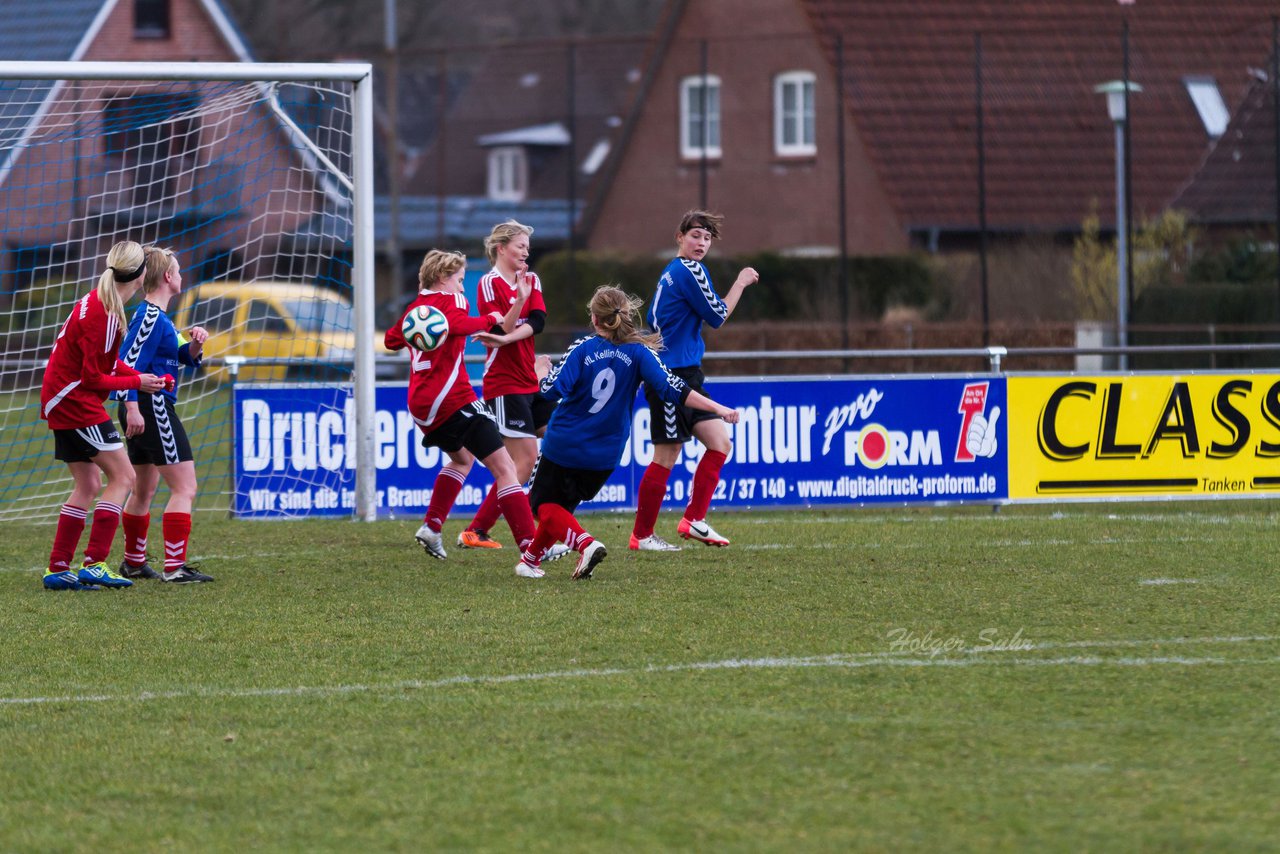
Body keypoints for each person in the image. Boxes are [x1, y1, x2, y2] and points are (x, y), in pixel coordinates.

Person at [476, 286, 739, 580]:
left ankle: (585, 544)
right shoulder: (640, 352)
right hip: (606, 454)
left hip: (565, 444)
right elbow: (674, 388)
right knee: (562, 508)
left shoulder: (583, 349)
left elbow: (550, 391)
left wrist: (538, 371)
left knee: (543, 506)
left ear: (595, 318)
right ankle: (531, 560)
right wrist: (718, 408)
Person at [385, 249, 538, 575]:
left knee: (462, 459)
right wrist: (490, 319)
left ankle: (432, 526)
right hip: (452, 399)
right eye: (458, 278)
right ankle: (531, 549)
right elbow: (458, 324)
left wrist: (420, 329)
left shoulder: (415, 309)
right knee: (506, 468)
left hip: (421, 407)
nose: (461, 285)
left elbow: (391, 340)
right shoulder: (452, 302)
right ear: (443, 278)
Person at [39, 240, 167, 590]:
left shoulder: (100, 301)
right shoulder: (105, 313)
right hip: (74, 401)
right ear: (140, 275)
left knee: (89, 483)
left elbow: (107, 364)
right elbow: (94, 378)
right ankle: (94, 563)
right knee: (124, 477)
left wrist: (137, 378)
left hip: (61, 397)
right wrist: (136, 381)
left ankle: (57, 569)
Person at [630, 210, 758, 551]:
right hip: (671, 376)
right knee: (666, 454)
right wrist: (741, 282)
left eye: (707, 238)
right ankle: (641, 536)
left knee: (719, 443)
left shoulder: (671, 272)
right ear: (679, 236)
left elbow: (657, 322)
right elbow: (717, 316)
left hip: (685, 372)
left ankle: (694, 520)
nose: (701, 243)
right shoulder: (688, 270)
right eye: (695, 235)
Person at [456, 220, 561, 557]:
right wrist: (519, 302)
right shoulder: (488, 283)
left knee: (562, 434)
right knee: (522, 462)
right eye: (520, 246)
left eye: (527, 247)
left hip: (529, 380)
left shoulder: (532, 279)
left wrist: (508, 337)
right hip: (504, 384)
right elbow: (500, 324)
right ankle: (480, 529)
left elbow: (537, 323)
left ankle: (543, 514)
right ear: (501, 248)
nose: (525, 252)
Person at [116, 246, 214, 583]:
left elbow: (179, 357)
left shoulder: (160, 318)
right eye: (179, 270)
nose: (182, 275)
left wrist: (196, 345)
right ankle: (174, 568)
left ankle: (133, 561)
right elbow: (128, 364)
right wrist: (131, 407)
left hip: (143, 406)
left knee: (145, 488)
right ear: (169, 277)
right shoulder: (150, 317)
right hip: (149, 405)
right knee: (185, 487)